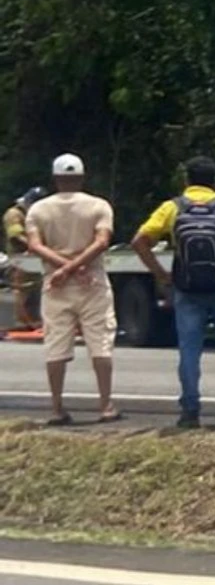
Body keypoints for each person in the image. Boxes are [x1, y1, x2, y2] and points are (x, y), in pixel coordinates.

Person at [130, 156, 215, 429]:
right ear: (214, 181)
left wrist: (161, 274)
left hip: (187, 290)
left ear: (187, 180)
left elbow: (139, 241)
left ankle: (190, 412)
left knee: (190, 351)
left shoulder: (173, 208)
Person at [25, 154, 117, 426]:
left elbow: (36, 246)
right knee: (100, 342)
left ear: (55, 178)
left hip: (55, 283)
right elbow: (101, 242)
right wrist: (77, 267)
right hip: (93, 281)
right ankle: (106, 405)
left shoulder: (38, 210)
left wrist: (64, 269)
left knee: (55, 345)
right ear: (81, 177)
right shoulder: (99, 205)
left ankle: (56, 407)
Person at [5, 187, 44, 333]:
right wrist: (35, 245)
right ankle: (22, 321)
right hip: (20, 258)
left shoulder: (32, 214)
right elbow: (15, 234)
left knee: (35, 289)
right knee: (21, 290)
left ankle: (35, 321)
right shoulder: (14, 214)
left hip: (34, 258)